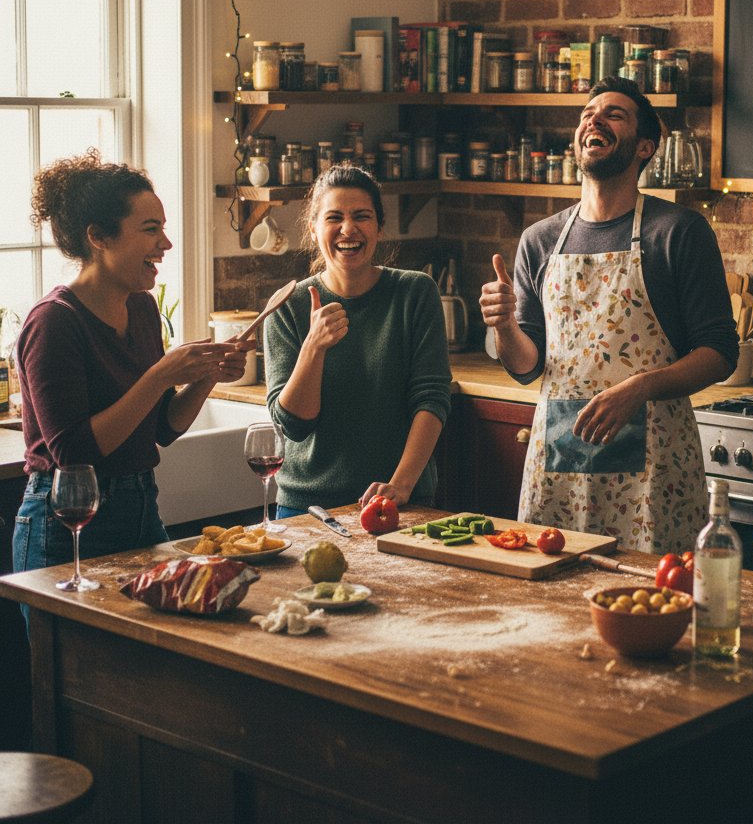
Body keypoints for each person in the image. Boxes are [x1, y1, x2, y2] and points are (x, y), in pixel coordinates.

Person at [479, 76, 738, 553]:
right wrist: (505, 326)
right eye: (587, 113)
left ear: (645, 147)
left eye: (613, 114)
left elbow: (720, 353)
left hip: (654, 474)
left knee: (652, 608)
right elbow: (526, 367)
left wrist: (640, 387)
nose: (592, 119)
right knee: (552, 604)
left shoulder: (678, 232)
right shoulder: (539, 240)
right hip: (558, 464)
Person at [13, 151, 251, 575]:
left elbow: (162, 428)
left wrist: (207, 377)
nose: (166, 243)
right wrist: (161, 375)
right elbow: (73, 453)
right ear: (99, 237)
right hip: (68, 524)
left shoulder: (141, 309)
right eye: (151, 229)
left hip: (140, 509)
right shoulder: (53, 323)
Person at [264, 163, 451, 515]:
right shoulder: (287, 306)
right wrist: (314, 348)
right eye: (334, 217)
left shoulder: (414, 293)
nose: (348, 229)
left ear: (379, 228)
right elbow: (293, 426)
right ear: (314, 229)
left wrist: (401, 485)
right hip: (308, 506)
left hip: (400, 501)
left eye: (362, 216)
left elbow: (431, 399)